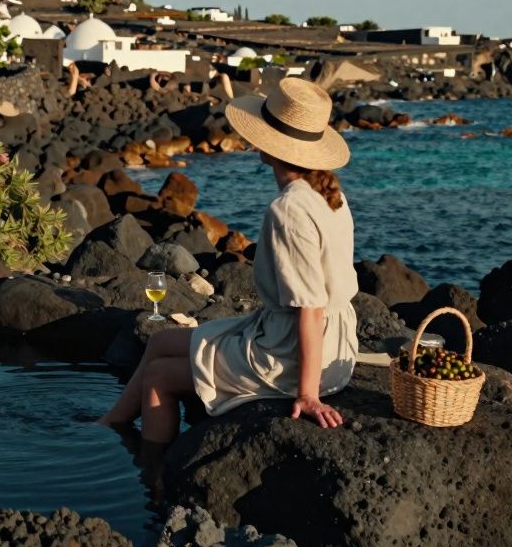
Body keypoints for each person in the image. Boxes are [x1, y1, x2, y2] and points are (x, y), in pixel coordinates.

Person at [98, 77, 359, 443]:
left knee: (159, 377)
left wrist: (307, 394)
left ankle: (153, 478)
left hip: (292, 356)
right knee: (159, 344)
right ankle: (109, 425)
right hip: (334, 345)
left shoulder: (288, 209)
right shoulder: (331, 195)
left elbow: (311, 309)